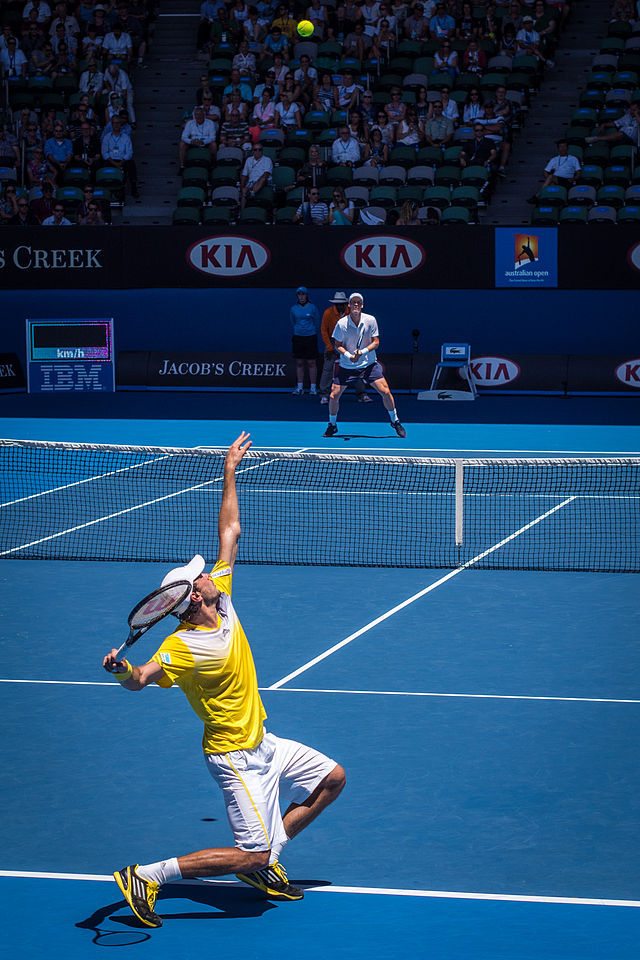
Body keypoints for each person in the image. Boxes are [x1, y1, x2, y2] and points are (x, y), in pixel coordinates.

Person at [103, 433, 345, 927]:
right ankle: (149, 874)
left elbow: (230, 530)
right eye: (201, 575)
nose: (210, 571)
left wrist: (230, 468)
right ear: (194, 597)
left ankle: (262, 861)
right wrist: (123, 669)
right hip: (235, 757)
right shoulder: (181, 647)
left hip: (264, 742)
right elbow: (142, 679)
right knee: (252, 853)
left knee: (332, 779)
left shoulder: (224, 599)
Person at [324, 292, 406, 439]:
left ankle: (395, 421)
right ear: (349, 305)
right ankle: (332, 425)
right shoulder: (341, 324)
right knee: (333, 395)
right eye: (353, 302)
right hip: (347, 366)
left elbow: (376, 342)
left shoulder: (371, 320)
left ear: (362, 305)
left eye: (358, 302)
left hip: (368, 364)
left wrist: (361, 352)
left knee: (385, 392)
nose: (356, 304)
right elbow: (337, 345)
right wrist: (349, 356)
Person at [319, 291, 371, 403]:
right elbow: (324, 331)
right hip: (333, 343)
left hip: (349, 343)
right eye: (337, 304)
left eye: (342, 304)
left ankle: (362, 394)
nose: (339, 306)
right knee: (328, 368)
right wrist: (329, 347)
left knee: (358, 365)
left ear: (345, 304)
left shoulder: (351, 312)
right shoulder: (328, 313)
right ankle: (324, 394)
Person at [290, 286, 320, 395]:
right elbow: (293, 322)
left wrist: (309, 331)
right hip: (298, 337)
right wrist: (300, 331)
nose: (301, 296)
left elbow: (316, 322)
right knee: (299, 362)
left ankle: (313, 388)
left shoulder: (312, 308)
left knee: (311, 362)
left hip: (310, 337)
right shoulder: (293, 309)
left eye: (303, 294)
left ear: (306, 296)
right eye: (299, 294)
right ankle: (300, 388)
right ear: (297, 296)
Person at [239, 142, 273, 207]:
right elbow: (244, 175)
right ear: (253, 151)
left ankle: (252, 193)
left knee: (263, 178)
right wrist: (242, 186)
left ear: (262, 151)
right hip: (251, 181)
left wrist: (255, 184)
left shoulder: (267, 159)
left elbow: (266, 174)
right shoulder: (249, 160)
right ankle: (242, 212)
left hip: (265, 181)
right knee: (244, 191)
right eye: (255, 150)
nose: (257, 151)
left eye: (259, 149)